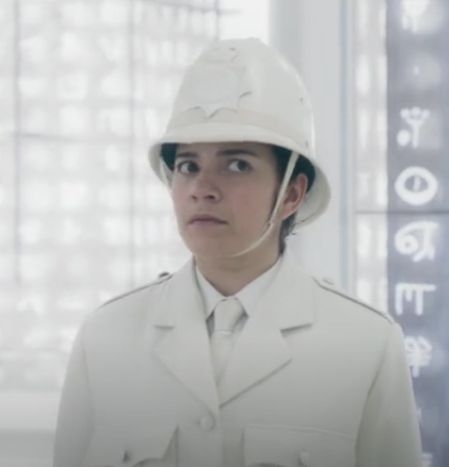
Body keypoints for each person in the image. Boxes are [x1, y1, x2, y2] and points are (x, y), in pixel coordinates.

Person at [53, 38, 422, 467]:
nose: (202, 189)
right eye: (188, 165)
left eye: (237, 164)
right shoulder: (105, 339)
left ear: (291, 194)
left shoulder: (366, 344)